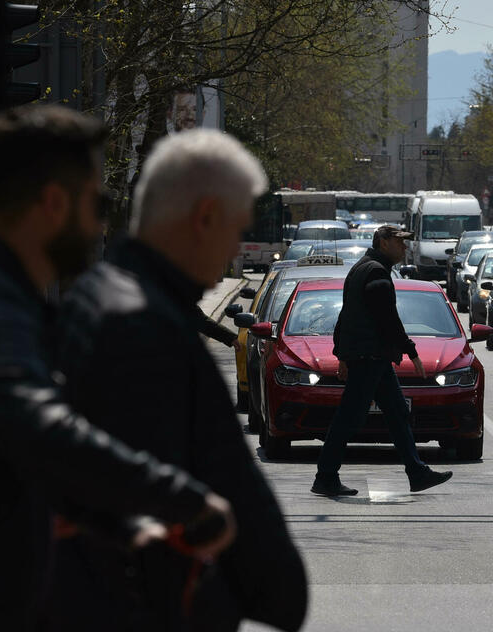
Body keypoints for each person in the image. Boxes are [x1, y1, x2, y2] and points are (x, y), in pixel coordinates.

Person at [0, 105, 236, 630]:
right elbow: (42, 433)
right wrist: (186, 500)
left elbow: (10, 463)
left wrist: (124, 527)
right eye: (98, 203)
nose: (102, 224)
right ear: (55, 203)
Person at [50, 130, 307, 631]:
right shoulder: (142, 326)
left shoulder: (97, 299)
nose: (234, 248)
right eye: (235, 229)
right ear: (205, 216)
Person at [313, 225, 454, 496]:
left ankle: (417, 472)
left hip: (372, 356)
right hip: (370, 357)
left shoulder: (362, 268)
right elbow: (387, 318)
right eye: (399, 242)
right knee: (348, 418)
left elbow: (346, 316)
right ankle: (326, 476)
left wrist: (342, 354)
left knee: (397, 412)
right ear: (384, 242)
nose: (404, 247)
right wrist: (411, 351)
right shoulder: (376, 273)